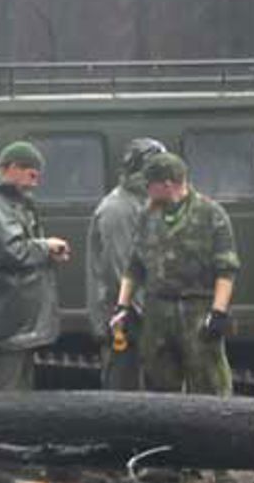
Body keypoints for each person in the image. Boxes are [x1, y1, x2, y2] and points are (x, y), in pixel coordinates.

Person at [113, 149, 238, 396]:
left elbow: (226, 268)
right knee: (158, 384)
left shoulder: (210, 214)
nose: (146, 190)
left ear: (167, 184)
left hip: (197, 310)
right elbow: (134, 266)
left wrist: (218, 312)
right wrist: (122, 306)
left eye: (150, 185)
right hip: (157, 312)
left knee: (209, 384)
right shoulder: (147, 215)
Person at [0, 141, 69, 393]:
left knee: (17, 395)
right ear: (12, 167)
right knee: (3, 396)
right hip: (5, 325)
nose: (35, 183)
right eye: (32, 175)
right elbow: (9, 251)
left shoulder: (8, 202)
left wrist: (46, 253)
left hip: (15, 326)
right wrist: (45, 247)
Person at [83, 137, 167, 392]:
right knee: (124, 392)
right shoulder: (118, 209)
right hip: (127, 321)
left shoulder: (142, 204)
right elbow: (122, 273)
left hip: (140, 317)